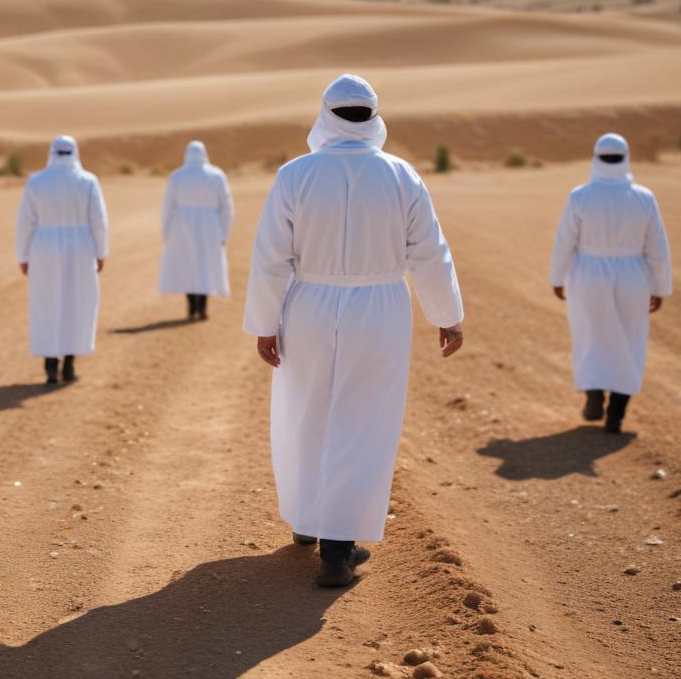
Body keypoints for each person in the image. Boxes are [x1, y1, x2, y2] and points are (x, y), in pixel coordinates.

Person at [243, 74, 464, 588]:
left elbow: (271, 258)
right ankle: (336, 550)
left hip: (309, 306)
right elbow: (429, 252)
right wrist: (446, 314)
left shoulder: (294, 175)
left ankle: (308, 523)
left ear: (326, 114)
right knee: (362, 420)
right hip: (380, 309)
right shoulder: (401, 175)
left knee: (306, 410)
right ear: (373, 116)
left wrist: (264, 323)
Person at [549, 133, 671, 433]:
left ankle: (593, 394)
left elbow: (565, 243)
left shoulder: (579, 196)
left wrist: (557, 278)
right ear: (626, 158)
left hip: (588, 273)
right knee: (630, 341)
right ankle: (616, 414)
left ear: (595, 158)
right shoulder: (644, 197)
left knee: (590, 335)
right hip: (633, 275)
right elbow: (657, 248)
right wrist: (660, 287)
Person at [16, 135, 109, 384]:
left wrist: (23, 255)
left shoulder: (36, 181)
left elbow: (26, 222)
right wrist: (101, 252)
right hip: (80, 247)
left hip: (44, 247)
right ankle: (69, 365)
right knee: (76, 303)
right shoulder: (88, 181)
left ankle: (50, 366)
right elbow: (98, 221)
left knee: (46, 303)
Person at [158, 140, 233, 320]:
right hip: (211, 226)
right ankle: (202, 307)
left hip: (182, 227)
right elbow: (227, 206)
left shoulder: (177, 176)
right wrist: (224, 232)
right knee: (205, 265)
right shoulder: (217, 175)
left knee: (188, 265)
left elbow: (167, 207)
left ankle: (192, 307)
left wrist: (166, 232)